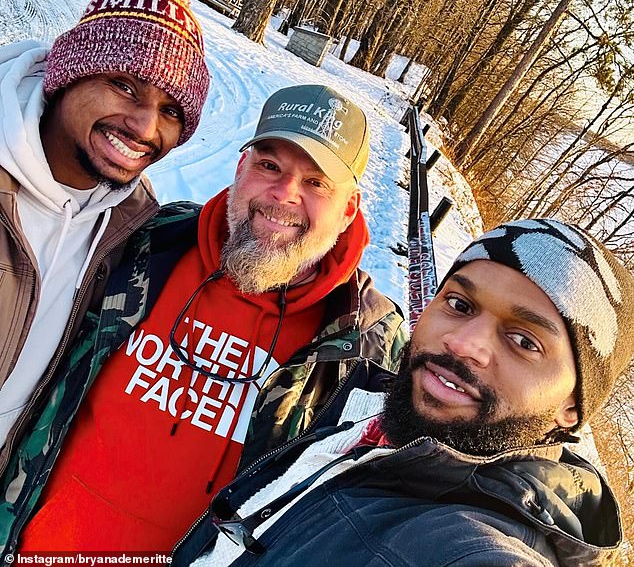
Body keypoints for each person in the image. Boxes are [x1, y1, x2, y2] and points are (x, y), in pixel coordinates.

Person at [1, 85, 407, 555]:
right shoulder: (146, 240)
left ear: (349, 209)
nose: (284, 194)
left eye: (316, 183)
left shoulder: (366, 345)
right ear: (241, 169)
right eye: (269, 165)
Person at [171, 219, 633, 567]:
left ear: (573, 406)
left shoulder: (475, 546)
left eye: (524, 341)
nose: (464, 343)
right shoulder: (375, 421)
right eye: (459, 304)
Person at [0, 0, 210, 463]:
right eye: (124, 86)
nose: (144, 127)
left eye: (170, 111)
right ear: (69, 74)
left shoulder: (131, 224)